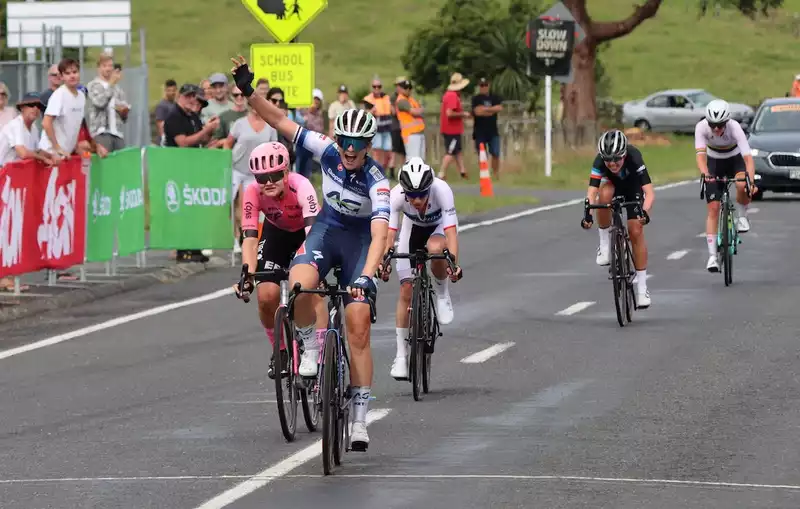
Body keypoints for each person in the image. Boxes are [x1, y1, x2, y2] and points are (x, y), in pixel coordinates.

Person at [230, 55, 390, 452]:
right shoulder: (328, 151)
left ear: (368, 145)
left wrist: (367, 276)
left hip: (360, 245)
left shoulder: (377, 181)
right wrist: (250, 90)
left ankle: (359, 417)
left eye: (358, 144)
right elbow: (279, 120)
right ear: (337, 140)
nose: (349, 150)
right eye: (344, 142)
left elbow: (380, 232)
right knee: (299, 286)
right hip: (328, 230)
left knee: (357, 324)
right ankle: (311, 349)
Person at [234, 141, 328, 379]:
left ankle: (317, 348)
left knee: (308, 289)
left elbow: (312, 234)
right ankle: (282, 351)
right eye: (261, 177)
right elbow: (250, 239)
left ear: (286, 172)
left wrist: (317, 269)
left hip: (307, 234)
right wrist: (247, 275)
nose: (268, 182)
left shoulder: (302, 186)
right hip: (276, 233)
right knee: (266, 296)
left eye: (274, 175)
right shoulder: (253, 193)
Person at [379, 157, 463, 380]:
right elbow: (390, 235)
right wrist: (384, 261)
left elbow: (451, 233)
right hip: (411, 229)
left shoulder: (442, 190)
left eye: (421, 194)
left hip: (437, 229)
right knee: (406, 289)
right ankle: (401, 356)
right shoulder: (396, 196)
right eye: (412, 195)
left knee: (436, 249)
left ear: (429, 188)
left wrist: (453, 263)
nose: (416, 200)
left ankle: (442, 294)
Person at [581, 130, 654, 308]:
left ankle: (642, 288)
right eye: (608, 160)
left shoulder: (634, 156)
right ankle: (605, 244)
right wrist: (588, 213)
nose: (612, 164)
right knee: (603, 195)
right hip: (613, 187)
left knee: (635, 230)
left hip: (633, 189)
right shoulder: (599, 161)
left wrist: (644, 212)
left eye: (617, 159)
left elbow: (649, 193)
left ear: (624, 154)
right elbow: (591, 192)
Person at [694, 99, 756, 272]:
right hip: (714, 162)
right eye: (713, 125)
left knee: (742, 184)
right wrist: (706, 174)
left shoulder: (735, 127)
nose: (716, 129)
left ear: (726, 121)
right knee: (713, 208)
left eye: (720, 125)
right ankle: (713, 256)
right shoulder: (701, 127)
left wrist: (751, 181)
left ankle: (742, 216)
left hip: (735, 160)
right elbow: (700, 155)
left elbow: (748, 159)